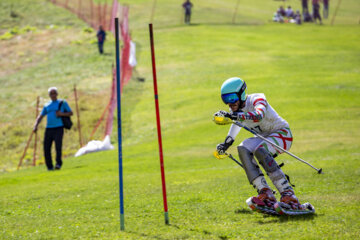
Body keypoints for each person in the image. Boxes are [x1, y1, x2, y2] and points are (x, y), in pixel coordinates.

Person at [214, 77, 304, 211]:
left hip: (282, 134)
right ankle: (265, 192)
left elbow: (258, 115)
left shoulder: (257, 98)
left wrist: (235, 116)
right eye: (225, 99)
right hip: (264, 137)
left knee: (260, 150)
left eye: (232, 98)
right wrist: (226, 144)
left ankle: (288, 194)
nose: (229, 103)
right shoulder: (237, 111)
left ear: (242, 93)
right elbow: (236, 125)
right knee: (243, 148)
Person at [33, 87, 73, 171]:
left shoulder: (62, 103)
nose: (53, 95)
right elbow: (40, 116)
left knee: (58, 146)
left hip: (59, 127)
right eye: (51, 93)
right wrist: (35, 125)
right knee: (46, 148)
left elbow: (70, 112)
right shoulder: (47, 105)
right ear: (49, 95)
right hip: (49, 129)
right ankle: (50, 167)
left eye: (54, 93)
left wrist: (61, 114)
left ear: (57, 94)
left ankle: (58, 163)